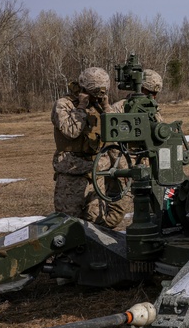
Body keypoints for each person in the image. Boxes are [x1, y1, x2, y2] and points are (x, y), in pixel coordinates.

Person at [51, 67, 130, 228]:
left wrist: (107, 108)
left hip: (96, 174)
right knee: (68, 225)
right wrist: (81, 107)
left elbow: (117, 133)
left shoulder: (100, 106)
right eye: (94, 92)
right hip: (71, 175)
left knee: (95, 223)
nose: (97, 97)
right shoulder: (64, 105)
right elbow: (71, 131)